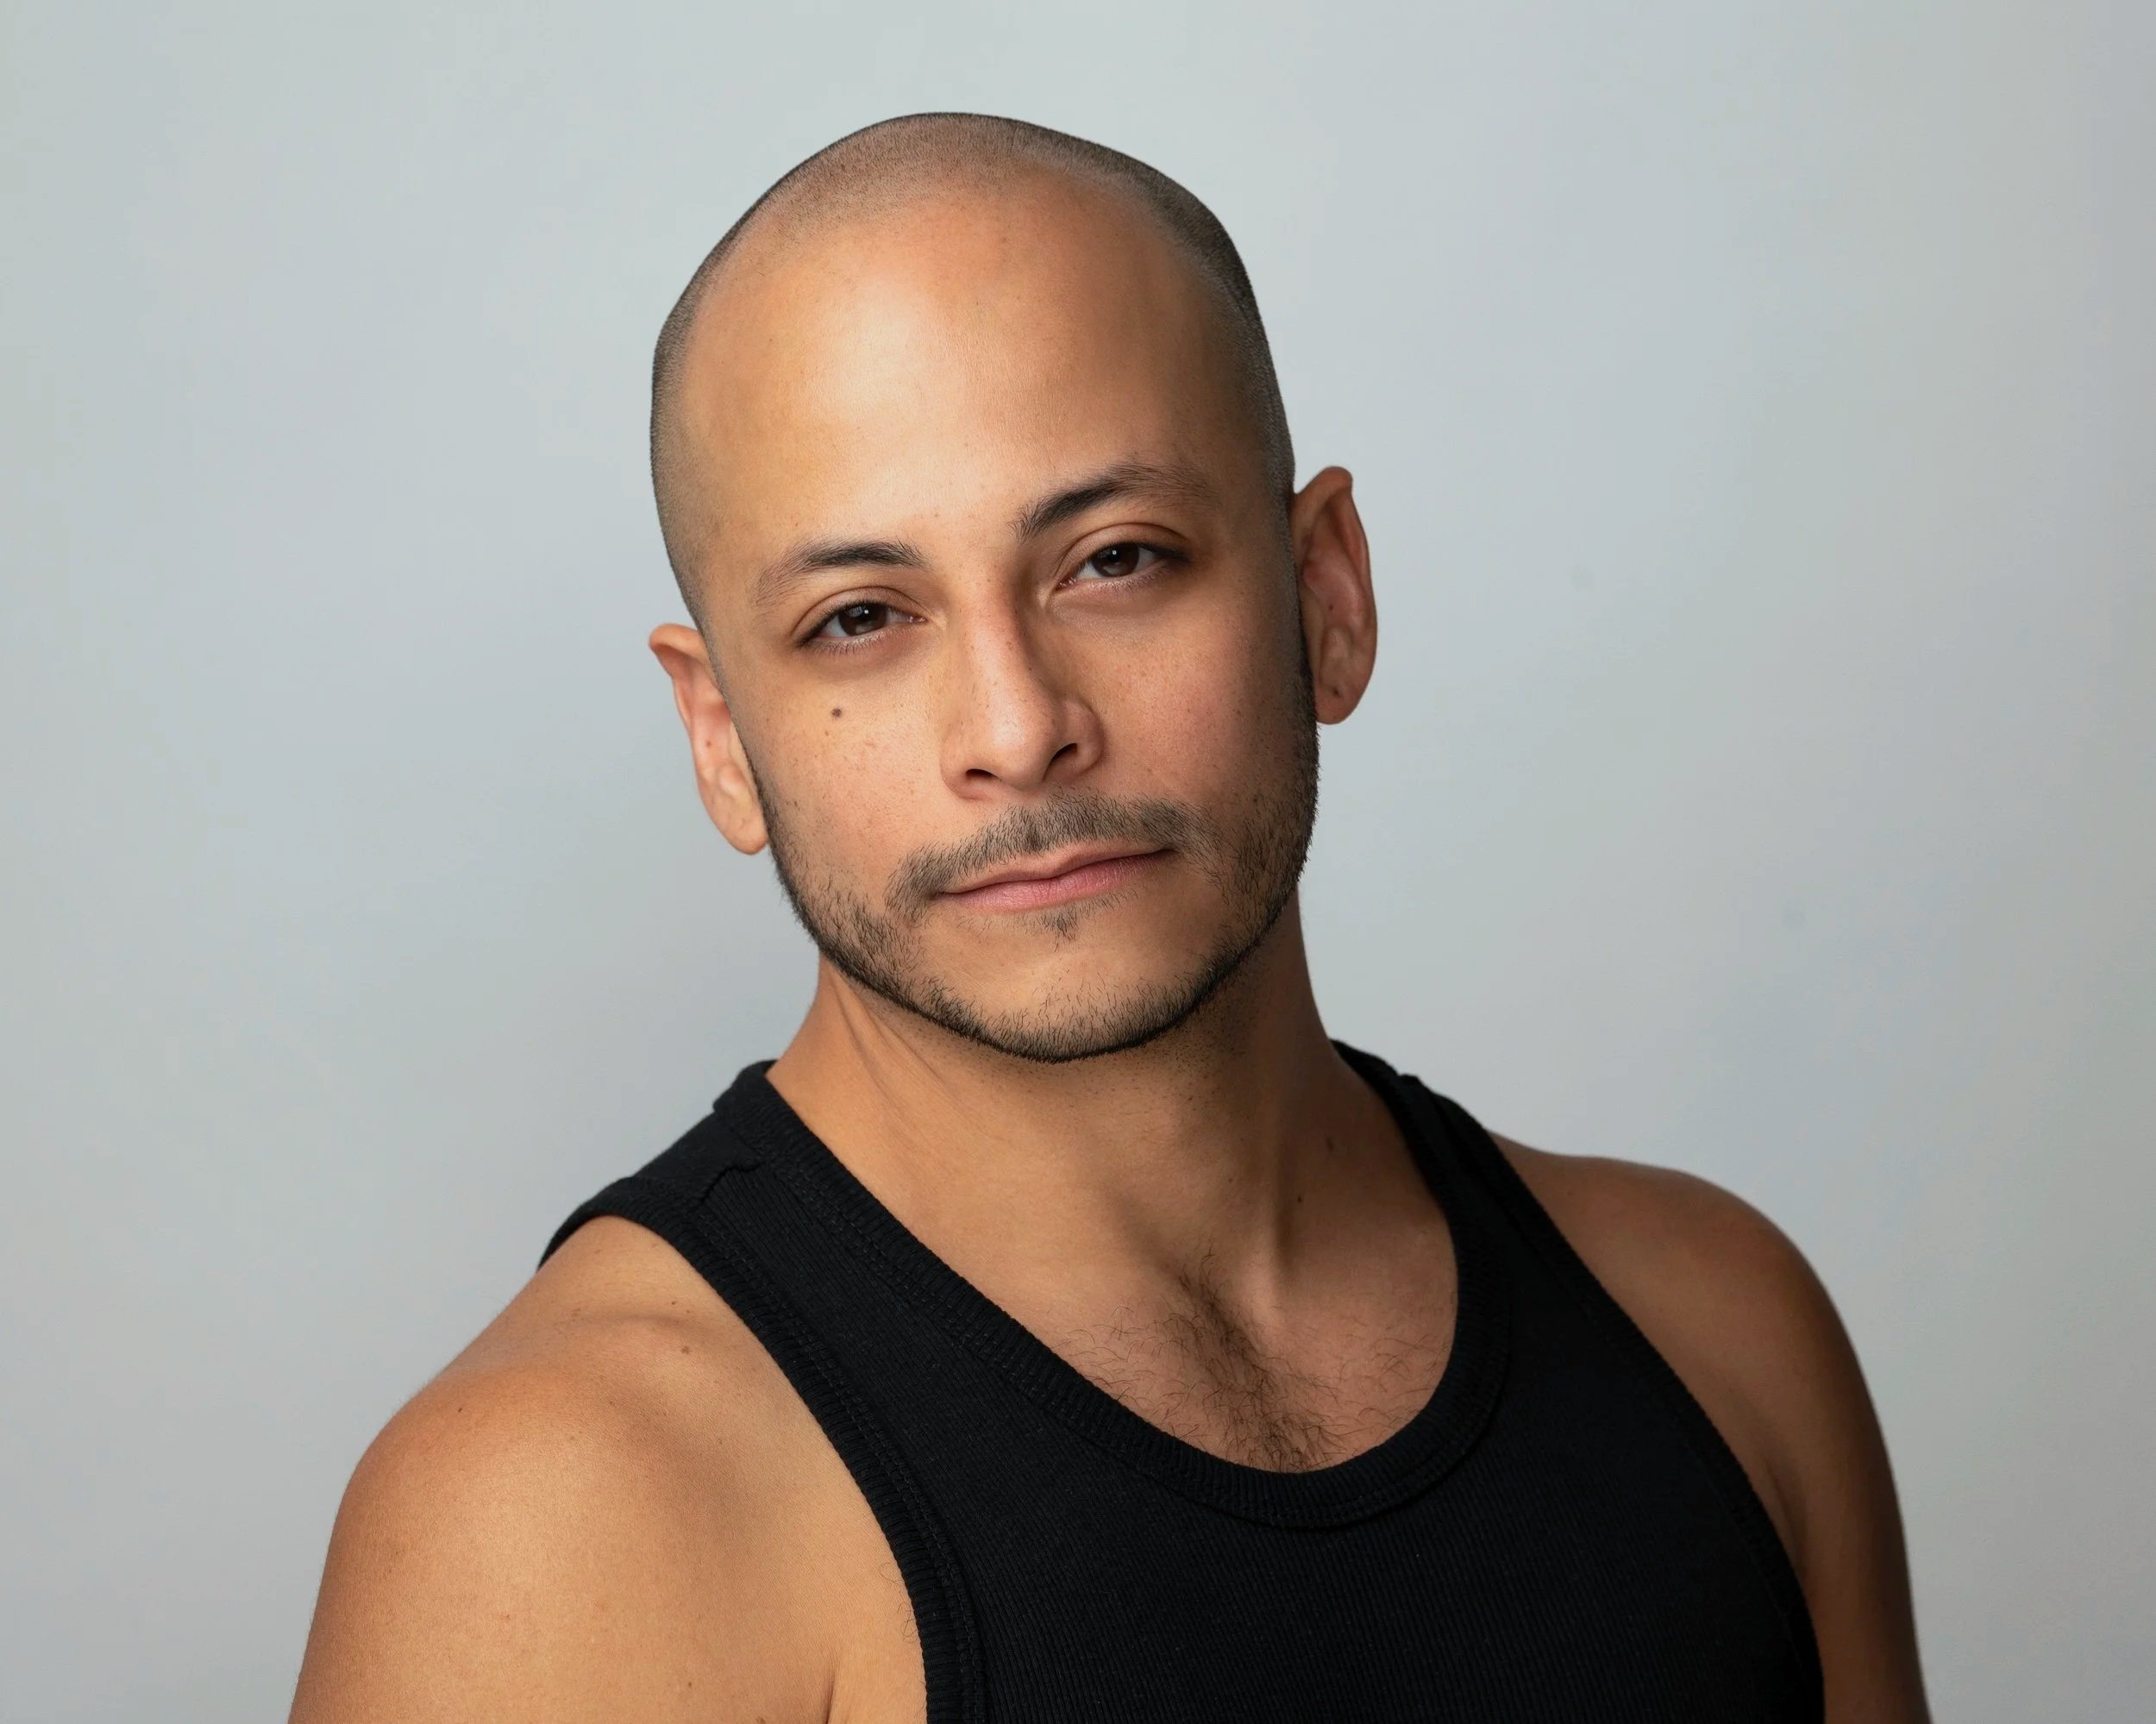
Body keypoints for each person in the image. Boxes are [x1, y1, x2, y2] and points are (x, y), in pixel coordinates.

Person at [289, 113, 1928, 1721]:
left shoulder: (1717, 1331)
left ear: (1327, 594)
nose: (1017, 729)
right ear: (721, 738)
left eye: (1116, 561)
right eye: (860, 618)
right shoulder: (568, 1514)